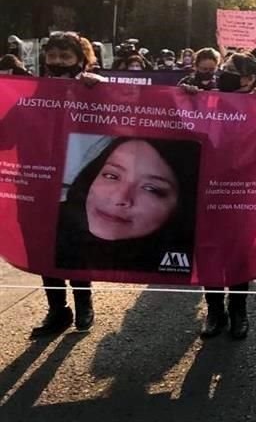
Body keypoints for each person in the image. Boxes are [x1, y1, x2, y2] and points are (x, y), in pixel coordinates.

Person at [184, 51, 256, 341]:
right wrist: (187, 97)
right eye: (225, 69)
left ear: (251, 78)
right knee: (209, 251)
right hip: (210, 189)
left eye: (233, 70)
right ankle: (215, 310)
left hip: (246, 193)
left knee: (241, 252)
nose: (225, 74)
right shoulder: (209, 100)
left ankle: (239, 309)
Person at [27, 32, 105, 338]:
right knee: (45, 252)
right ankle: (57, 310)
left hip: (77, 188)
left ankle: (83, 303)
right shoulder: (30, 90)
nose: (58, 62)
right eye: (53, 56)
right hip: (39, 185)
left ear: (81, 61)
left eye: (66, 57)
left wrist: (97, 89)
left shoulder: (97, 88)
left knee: (75, 249)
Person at [55, 137, 201, 271]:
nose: (120, 198)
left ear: (182, 205)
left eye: (151, 189)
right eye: (111, 176)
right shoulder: (53, 225)